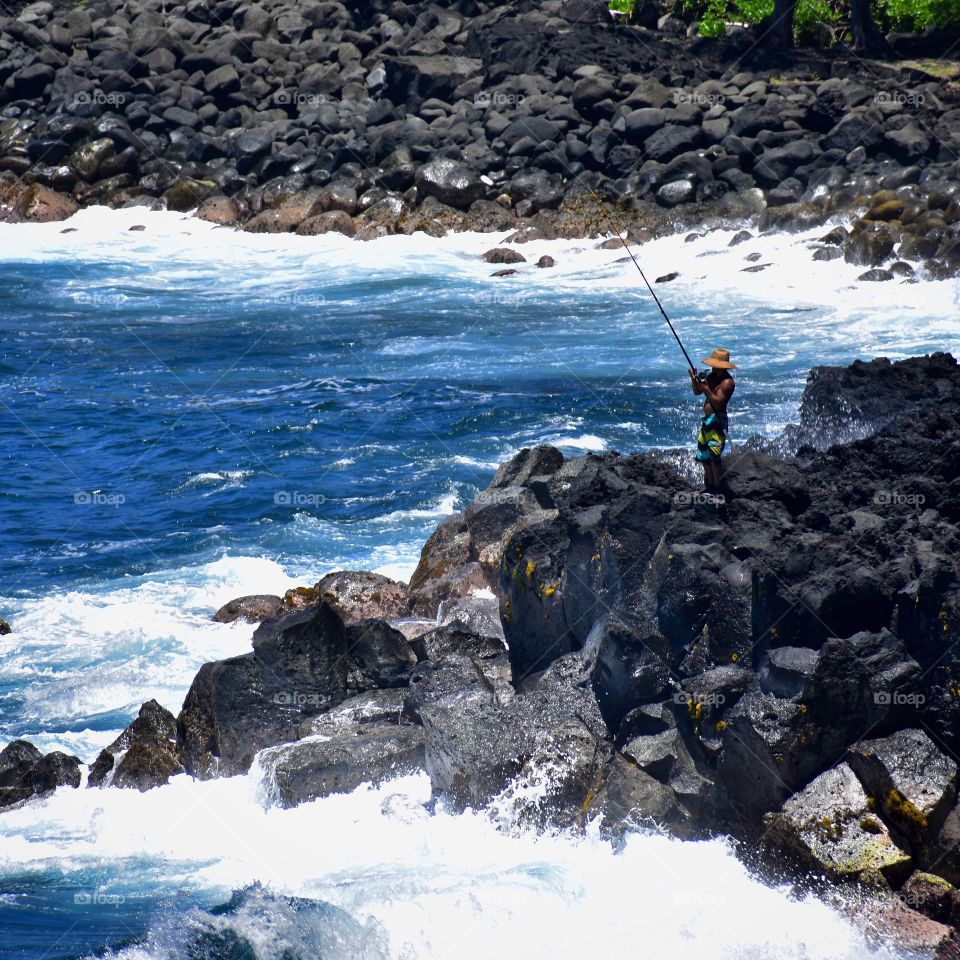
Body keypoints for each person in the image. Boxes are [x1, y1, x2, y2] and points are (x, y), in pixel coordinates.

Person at [688, 348, 736, 491]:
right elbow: (697, 392)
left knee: (714, 455)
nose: (714, 368)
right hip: (706, 420)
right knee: (703, 454)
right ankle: (709, 485)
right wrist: (694, 378)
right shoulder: (711, 376)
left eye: (717, 366)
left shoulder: (728, 383)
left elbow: (719, 403)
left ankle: (717, 487)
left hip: (717, 421)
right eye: (713, 366)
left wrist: (706, 389)